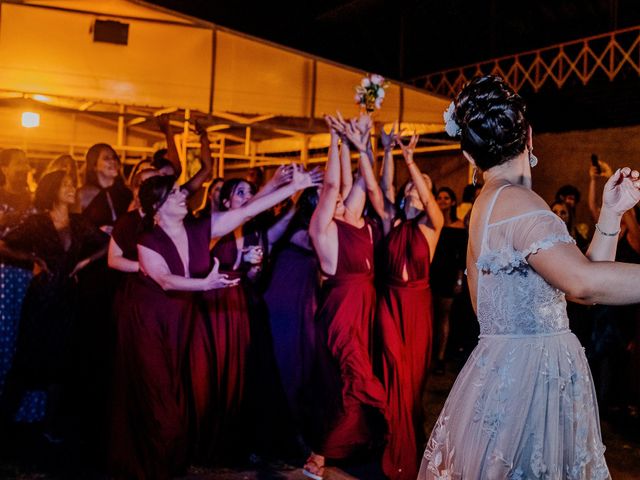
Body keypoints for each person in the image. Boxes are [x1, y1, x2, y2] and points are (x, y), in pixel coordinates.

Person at [419, 75, 640, 479]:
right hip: (528, 385)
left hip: (514, 372)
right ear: (530, 137)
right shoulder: (517, 202)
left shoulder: (494, 202)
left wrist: (611, 213)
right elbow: (584, 283)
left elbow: (582, 289)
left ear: (469, 156)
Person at [108, 175, 240, 480]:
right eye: (173, 192)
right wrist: (147, 267)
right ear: (155, 203)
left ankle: (159, 458)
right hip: (146, 312)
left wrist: (286, 187)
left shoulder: (191, 228)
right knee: (159, 395)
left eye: (180, 190)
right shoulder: (139, 230)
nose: (182, 194)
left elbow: (243, 211)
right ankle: (158, 464)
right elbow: (124, 265)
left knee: (174, 386)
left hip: (179, 313)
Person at [190, 165, 321, 464]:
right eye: (241, 192)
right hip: (212, 308)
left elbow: (279, 226)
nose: (248, 196)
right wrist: (279, 183)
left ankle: (241, 437)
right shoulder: (213, 227)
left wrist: (253, 268)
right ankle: (208, 438)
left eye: (251, 192)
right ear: (225, 202)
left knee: (243, 375)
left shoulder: (254, 232)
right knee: (213, 374)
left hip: (241, 306)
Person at [304, 114, 387, 480]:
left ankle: (350, 444)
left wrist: (354, 138)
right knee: (356, 378)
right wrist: (333, 140)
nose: (341, 197)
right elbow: (334, 184)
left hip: (364, 306)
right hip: (342, 310)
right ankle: (320, 454)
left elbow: (356, 183)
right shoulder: (323, 228)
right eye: (333, 198)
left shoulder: (353, 219)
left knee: (351, 378)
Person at [0, 170, 108, 441]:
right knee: (26, 360)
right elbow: (3, 244)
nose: (72, 188)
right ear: (52, 190)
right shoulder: (37, 223)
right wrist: (31, 256)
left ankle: (48, 428)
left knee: (60, 362)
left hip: (67, 298)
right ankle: (3, 424)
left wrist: (85, 262)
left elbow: (108, 245)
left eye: (72, 184)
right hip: (41, 298)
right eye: (66, 185)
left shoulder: (79, 222)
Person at [375, 129, 444, 480]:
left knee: (413, 383)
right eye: (411, 188)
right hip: (389, 305)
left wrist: (411, 161)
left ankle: (408, 448)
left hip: (418, 309)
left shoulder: (433, 225)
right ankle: (389, 446)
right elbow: (385, 188)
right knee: (392, 374)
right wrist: (388, 152)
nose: (415, 192)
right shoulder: (392, 221)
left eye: (421, 188)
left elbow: (430, 201)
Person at [430, 187, 467, 374]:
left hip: (448, 275)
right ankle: (428, 354)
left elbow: (462, 258)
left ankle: (440, 356)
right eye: (439, 197)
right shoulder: (430, 223)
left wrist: (459, 280)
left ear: (453, 202)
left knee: (443, 317)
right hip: (430, 273)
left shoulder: (459, 226)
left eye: (447, 197)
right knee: (429, 316)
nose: (442, 200)